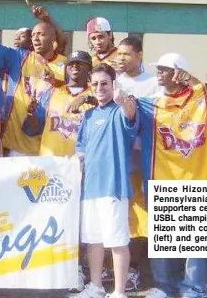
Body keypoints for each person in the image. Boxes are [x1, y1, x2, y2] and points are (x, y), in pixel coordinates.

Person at [138, 53, 207, 298]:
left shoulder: (205, 97)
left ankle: (193, 288)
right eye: (158, 69)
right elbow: (127, 111)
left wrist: (201, 84)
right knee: (163, 240)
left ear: (179, 73)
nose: (159, 73)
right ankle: (164, 287)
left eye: (164, 69)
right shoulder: (152, 103)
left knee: (195, 241)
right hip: (164, 178)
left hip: (199, 178)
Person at [71, 63, 138, 298]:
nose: (100, 88)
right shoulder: (88, 116)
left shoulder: (121, 109)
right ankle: (96, 287)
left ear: (114, 85)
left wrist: (122, 100)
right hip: (90, 188)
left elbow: (130, 114)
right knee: (93, 241)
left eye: (104, 83)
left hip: (113, 187)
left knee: (117, 241)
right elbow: (81, 148)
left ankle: (119, 291)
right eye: (95, 84)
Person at [0, 14, 67, 157]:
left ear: (53, 39)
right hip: (15, 146)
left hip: (50, 146)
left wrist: (55, 82)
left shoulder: (65, 65)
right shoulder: (20, 57)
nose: (35, 38)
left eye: (41, 34)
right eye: (34, 35)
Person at [114, 36, 162, 291]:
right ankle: (127, 269)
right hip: (120, 156)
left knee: (146, 213)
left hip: (145, 156)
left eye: (127, 54)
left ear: (139, 55)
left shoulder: (153, 82)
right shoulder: (113, 81)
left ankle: (147, 271)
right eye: (119, 54)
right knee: (126, 213)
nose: (121, 58)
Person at [22, 51, 94, 157]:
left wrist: (87, 98)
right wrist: (31, 113)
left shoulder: (94, 95)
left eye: (80, 63)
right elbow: (32, 130)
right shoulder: (51, 92)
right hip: (50, 161)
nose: (75, 66)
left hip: (79, 162)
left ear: (89, 69)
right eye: (71, 63)